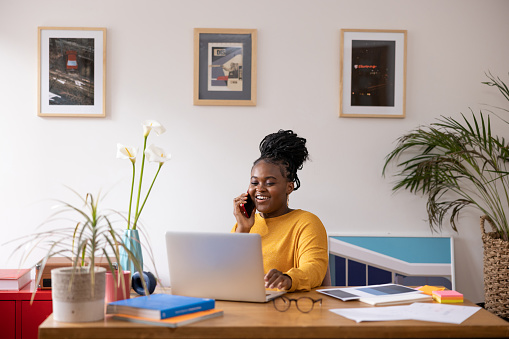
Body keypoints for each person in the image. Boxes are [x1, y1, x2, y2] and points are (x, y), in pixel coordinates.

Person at [232, 129, 328, 292]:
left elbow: (314, 268)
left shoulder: (306, 222)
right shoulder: (245, 225)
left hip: (286, 308)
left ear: (289, 187)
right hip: (246, 304)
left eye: (269, 183)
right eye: (254, 183)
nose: (260, 189)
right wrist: (243, 227)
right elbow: (226, 270)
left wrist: (289, 279)